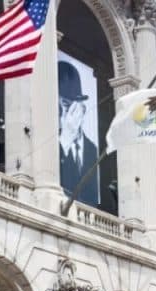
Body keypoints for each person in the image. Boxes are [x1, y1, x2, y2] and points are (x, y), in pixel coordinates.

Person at [57, 60, 99, 203]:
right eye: (60, 108)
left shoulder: (93, 149)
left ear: (82, 108)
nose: (65, 115)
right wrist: (65, 141)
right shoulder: (56, 144)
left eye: (67, 106)